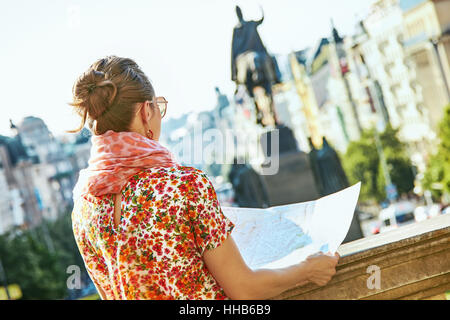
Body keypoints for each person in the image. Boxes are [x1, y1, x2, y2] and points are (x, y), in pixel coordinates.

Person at [70, 55, 339, 300]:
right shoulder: (184, 186)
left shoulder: (83, 206)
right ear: (145, 111)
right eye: (158, 108)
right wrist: (307, 270)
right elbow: (245, 289)